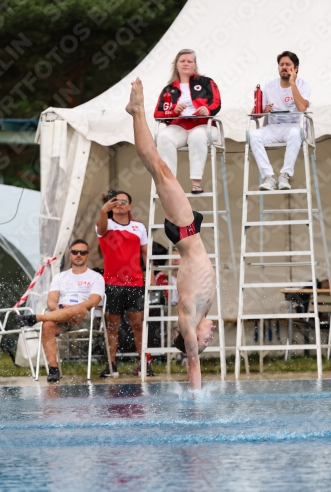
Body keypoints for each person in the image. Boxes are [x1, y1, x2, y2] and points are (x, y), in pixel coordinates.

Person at [126, 78, 216, 391]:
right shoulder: (201, 313)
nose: (210, 337)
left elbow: (192, 361)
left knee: (157, 166)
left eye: (205, 342)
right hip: (189, 234)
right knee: (158, 167)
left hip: (185, 232)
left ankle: (136, 112)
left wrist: (196, 399)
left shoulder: (187, 323)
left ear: (190, 340)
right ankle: (136, 113)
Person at [15, 239, 105, 383]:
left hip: (84, 316)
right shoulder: (60, 277)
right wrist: (59, 311)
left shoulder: (96, 277)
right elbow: (51, 301)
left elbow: (93, 302)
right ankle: (53, 369)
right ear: (70, 255)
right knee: (48, 325)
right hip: (61, 314)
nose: (78, 255)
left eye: (82, 252)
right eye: (75, 252)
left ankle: (36, 318)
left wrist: (74, 308)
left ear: (87, 255)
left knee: (78, 310)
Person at [96, 190, 154, 378]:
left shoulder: (139, 227)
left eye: (124, 201)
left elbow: (146, 253)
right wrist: (104, 211)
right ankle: (111, 365)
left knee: (138, 323)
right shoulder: (105, 223)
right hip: (112, 282)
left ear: (129, 206)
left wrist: (150, 274)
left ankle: (144, 363)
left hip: (135, 282)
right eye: (115, 201)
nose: (119, 203)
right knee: (112, 324)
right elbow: (102, 230)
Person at [154, 49, 221, 194]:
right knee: (164, 136)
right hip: (179, 127)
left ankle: (196, 182)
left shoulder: (206, 82)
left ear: (195, 65)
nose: (186, 64)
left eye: (189, 61)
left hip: (204, 125)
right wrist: (173, 110)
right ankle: (169, 183)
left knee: (197, 135)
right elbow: (158, 113)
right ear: (176, 65)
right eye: (182, 61)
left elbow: (217, 102)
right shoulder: (168, 89)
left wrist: (207, 110)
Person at [250, 51, 311, 191]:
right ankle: (269, 177)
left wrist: (292, 83)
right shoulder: (269, 86)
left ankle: (285, 174)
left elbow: (302, 107)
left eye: (288, 65)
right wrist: (263, 111)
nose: (284, 67)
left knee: (296, 133)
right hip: (274, 127)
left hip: (295, 126)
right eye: (281, 64)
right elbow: (255, 114)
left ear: (296, 68)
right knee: (253, 135)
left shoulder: (303, 85)